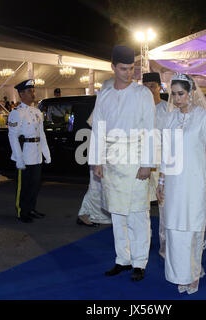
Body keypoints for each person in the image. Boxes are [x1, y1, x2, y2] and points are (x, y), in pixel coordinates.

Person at [156, 74, 206, 295]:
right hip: (174, 183)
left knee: (192, 228)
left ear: (191, 93)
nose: (176, 99)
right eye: (173, 94)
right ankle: (179, 274)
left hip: (196, 181)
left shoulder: (203, 117)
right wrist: (161, 181)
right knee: (174, 228)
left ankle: (193, 275)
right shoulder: (170, 118)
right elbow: (166, 153)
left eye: (180, 94)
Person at [89, 45, 156, 282]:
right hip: (111, 160)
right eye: (123, 68)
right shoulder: (104, 95)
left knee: (138, 213)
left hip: (136, 158)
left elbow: (150, 130)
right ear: (113, 67)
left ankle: (140, 262)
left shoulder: (142, 94)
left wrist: (147, 163)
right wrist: (96, 160)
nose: (128, 73)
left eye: (131, 69)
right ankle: (122, 259)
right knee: (117, 214)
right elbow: (97, 129)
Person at [8, 79, 51, 223]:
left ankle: (31, 209)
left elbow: (41, 134)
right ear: (21, 94)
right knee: (23, 186)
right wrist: (19, 159)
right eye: (29, 91)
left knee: (34, 185)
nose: (33, 94)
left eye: (33, 91)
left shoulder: (37, 112)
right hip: (24, 155)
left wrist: (46, 153)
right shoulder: (17, 113)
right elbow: (13, 137)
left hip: (36, 155)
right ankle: (22, 212)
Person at [77, 78, 115, 227]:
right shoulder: (102, 107)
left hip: (110, 152)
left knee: (103, 185)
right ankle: (87, 214)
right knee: (96, 185)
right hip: (101, 152)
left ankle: (92, 214)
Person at [142, 72, 168, 258]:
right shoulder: (137, 109)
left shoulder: (168, 109)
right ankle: (143, 241)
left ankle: (166, 243)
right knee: (141, 204)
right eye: (146, 86)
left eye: (153, 86)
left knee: (164, 204)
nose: (149, 90)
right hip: (142, 162)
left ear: (160, 87)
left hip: (162, 163)